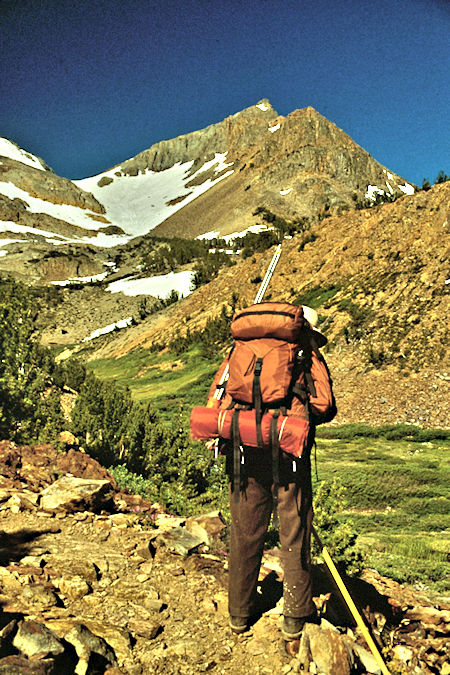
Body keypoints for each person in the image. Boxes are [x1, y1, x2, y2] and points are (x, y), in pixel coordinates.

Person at [207, 305, 336, 639]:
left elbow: (219, 394)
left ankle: (239, 614)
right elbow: (324, 405)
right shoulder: (304, 351)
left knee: (245, 531)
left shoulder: (241, 349)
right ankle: (295, 618)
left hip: (244, 446)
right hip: (288, 449)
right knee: (294, 531)